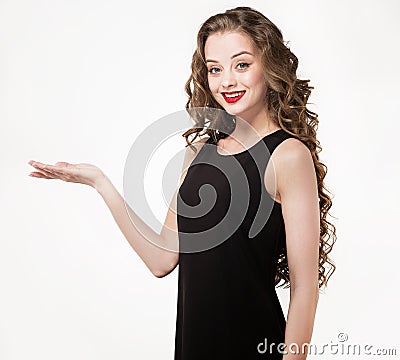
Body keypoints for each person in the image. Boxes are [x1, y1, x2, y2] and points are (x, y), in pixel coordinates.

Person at [28, 6, 336, 360]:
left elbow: (304, 289)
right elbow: (161, 258)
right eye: (215, 69)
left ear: (269, 65)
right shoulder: (198, 153)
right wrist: (100, 183)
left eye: (242, 65)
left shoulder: (288, 155)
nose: (227, 82)